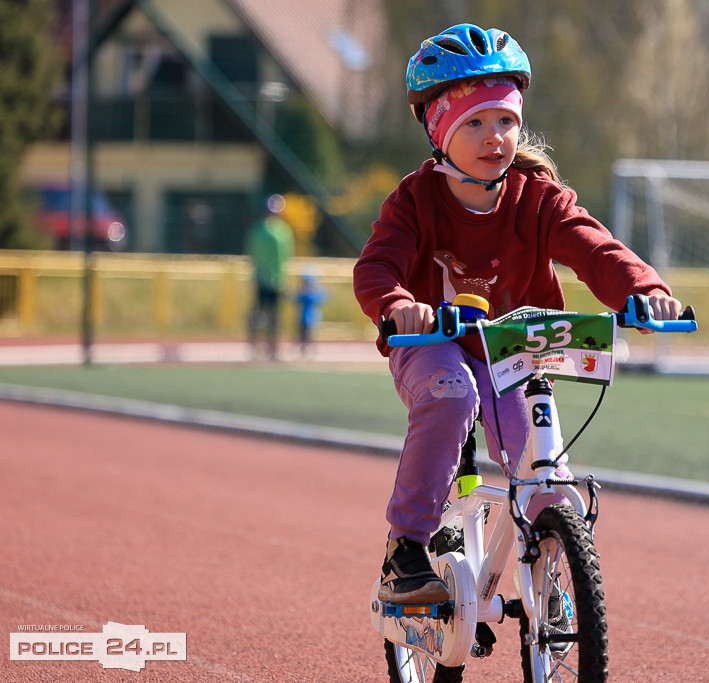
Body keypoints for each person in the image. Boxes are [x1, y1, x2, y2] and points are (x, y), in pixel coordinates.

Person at [353, 23, 683, 605]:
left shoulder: (538, 198)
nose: (494, 136)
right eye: (474, 122)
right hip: (434, 344)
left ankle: (552, 551)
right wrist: (399, 306)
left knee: (535, 450)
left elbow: (595, 248)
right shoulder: (414, 200)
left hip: (513, 348)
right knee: (452, 395)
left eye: (505, 120)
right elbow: (377, 268)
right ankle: (406, 547)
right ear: (438, 129)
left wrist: (644, 290)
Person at [246, 194, 294, 359]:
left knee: (258, 313)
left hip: (260, 278)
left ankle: (254, 347)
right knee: (273, 316)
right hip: (276, 280)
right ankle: (272, 349)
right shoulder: (283, 232)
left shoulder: (257, 229)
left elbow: (253, 254)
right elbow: (284, 258)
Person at [294, 271, 327, 357]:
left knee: (311, 335)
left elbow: (321, 298)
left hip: (312, 318)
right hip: (303, 318)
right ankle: (304, 351)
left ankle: (311, 351)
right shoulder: (303, 294)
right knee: (303, 335)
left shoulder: (313, 294)